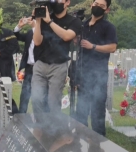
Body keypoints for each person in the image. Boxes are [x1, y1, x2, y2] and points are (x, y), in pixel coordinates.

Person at [31, 0, 81, 118]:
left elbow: (67, 36)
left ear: (67, 2)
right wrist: (38, 21)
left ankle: (54, 131)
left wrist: (49, 21)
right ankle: (40, 128)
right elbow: (37, 41)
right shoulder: (45, 18)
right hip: (41, 63)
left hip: (58, 65)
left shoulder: (74, 21)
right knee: (36, 99)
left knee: (53, 101)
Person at [76, 0, 117, 136]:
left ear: (107, 10)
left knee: (97, 113)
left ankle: (98, 148)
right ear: (91, 5)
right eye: (96, 3)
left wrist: (93, 46)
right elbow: (77, 44)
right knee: (81, 112)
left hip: (98, 75)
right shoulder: (83, 25)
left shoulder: (108, 27)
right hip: (83, 74)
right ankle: (81, 141)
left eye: (101, 6)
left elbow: (112, 47)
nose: (97, 7)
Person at [14, 16, 36, 113]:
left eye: (33, 17)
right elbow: (16, 36)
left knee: (39, 96)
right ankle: (21, 117)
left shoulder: (46, 32)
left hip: (41, 68)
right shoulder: (30, 33)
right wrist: (19, 26)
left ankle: (40, 122)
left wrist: (36, 27)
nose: (30, 19)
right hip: (29, 68)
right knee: (24, 95)